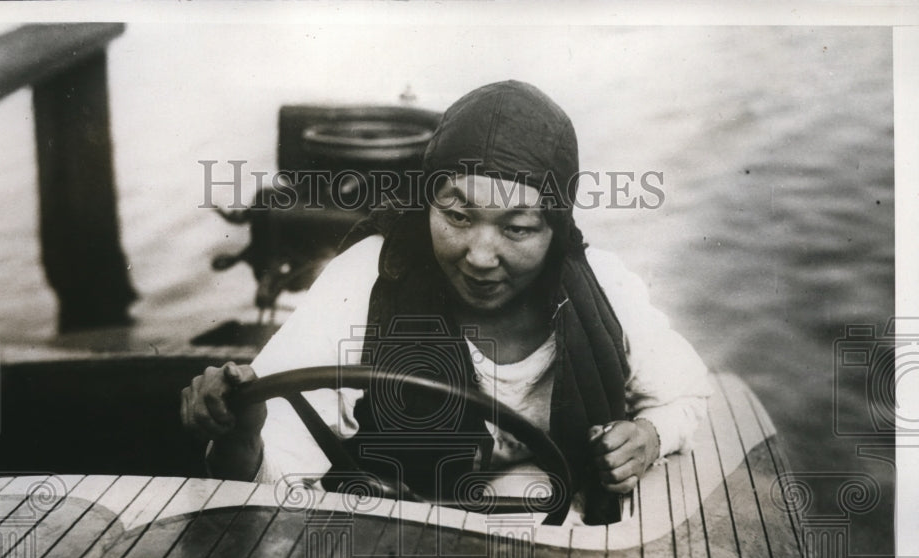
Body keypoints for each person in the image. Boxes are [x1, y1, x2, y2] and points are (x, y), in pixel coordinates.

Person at [180, 80, 711, 525]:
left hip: (561, 551)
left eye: (518, 228)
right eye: (457, 216)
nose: (480, 256)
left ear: (557, 228)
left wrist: (648, 435)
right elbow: (270, 474)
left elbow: (687, 396)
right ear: (426, 201)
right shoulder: (365, 279)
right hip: (389, 548)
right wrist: (242, 434)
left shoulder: (607, 289)